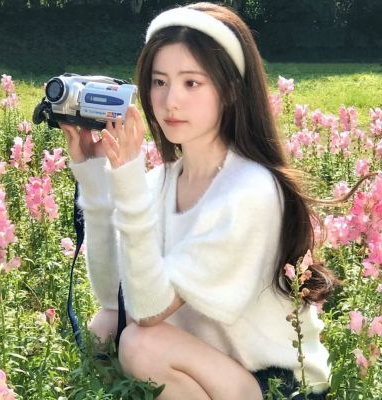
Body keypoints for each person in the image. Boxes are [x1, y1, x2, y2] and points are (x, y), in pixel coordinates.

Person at [60, 3, 333, 399]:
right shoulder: (160, 182)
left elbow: (148, 313)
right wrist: (96, 178)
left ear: (231, 91)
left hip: (275, 383)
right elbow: (112, 299)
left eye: (192, 83)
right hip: (207, 366)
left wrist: (128, 182)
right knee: (104, 328)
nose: (170, 100)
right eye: (159, 82)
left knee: (140, 344)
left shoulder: (250, 189)